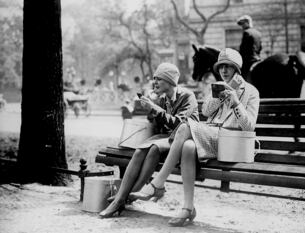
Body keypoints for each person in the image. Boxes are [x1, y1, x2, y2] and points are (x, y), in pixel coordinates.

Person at [135, 48, 260, 226]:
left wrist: (236, 102)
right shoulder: (218, 87)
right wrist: (218, 97)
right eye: (221, 67)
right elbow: (206, 112)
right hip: (212, 137)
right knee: (187, 147)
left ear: (237, 69)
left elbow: (249, 127)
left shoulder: (250, 91)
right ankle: (188, 207)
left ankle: (158, 182)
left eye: (228, 67)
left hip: (232, 142)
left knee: (185, 126)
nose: (224, 70)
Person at [98, 62, 199, 218]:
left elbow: (179, 125)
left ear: (170, 81)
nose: (155, 82)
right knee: (140, 151)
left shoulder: (187, 96)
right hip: (167, 139)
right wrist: (151, 110)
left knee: (153, 148)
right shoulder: (163, 99)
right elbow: (158, 127)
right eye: (155, 79)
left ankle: (123, 198)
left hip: (185, 139)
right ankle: (123, 197)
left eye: (159, 79)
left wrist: (155, 109)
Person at [237, 15, 262, 80]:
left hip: (248, 61)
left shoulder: (247, 32)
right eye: (241, 24)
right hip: (258, 59)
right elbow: (260, 48)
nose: (242, 26)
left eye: (243, 24)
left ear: (248, 23)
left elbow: (243, 49)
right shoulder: (258, 33)